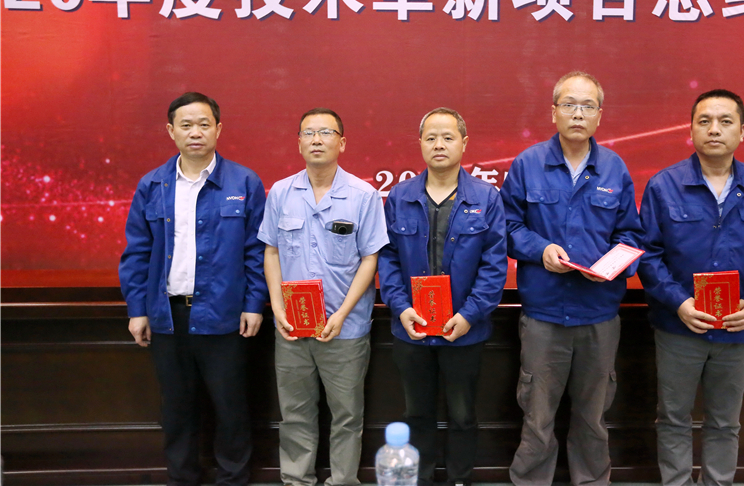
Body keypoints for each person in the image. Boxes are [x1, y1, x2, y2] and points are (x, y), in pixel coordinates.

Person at [637, 89, 744, 486]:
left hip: (738, 326)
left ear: (742, 131)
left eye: (725, 122)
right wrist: (678, 303)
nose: (714, 130)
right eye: (704, 121)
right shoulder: (664, 186)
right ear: (691, 129)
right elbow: (646, 254)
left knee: (725, 422)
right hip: (679, 326)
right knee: (673, 418)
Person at [500, 72, 642, 486]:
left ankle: (592, 482)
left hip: (599, 315)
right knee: (537, 417)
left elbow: (631, 235)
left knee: (593, 419)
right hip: (544, 316)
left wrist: (614, 265)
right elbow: (507, 226)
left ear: (599, 115)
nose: (578, 114)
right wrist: (540, 249)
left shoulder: (614, 168)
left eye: (587, 106)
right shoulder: (527, 164)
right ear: (554, 112)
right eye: (569, 105)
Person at [119, 92, 267, 486]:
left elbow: (257, 251)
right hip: (168, 317)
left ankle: (233, 479)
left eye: (204, 124)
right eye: (186, 125)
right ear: (171, 131)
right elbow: (137, 252)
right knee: (177, 410)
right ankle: (181, 479)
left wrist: (254, 304)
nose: (195, 132)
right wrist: (137, 309)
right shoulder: (152, 184)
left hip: (225, 316)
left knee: (231, 407)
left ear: (219, 129)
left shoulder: (244, 182)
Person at [257, 108, 389, 486]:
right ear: (298, 142)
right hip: (292, 327)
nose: (316, 139)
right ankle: (296, 480)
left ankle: (343, 481)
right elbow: (271, 251)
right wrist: (278, 308)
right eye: (308, 133)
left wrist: (342, 314)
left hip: (344, 328)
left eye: (326, 132)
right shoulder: (281, 192)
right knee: (295, 414)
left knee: (347, 415)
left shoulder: (363, 195)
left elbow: (370, 259)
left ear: (342, 143)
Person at [378, 108, 507, 486]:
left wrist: (468, 315)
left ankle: (459, 480)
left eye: (448, 137)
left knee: (463, 415)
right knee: (416, 414)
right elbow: (387, 259)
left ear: (464, 144)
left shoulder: (486, 197)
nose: (439, 144)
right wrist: (401, 307)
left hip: (465, 330)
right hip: (411, 330)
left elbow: (494, 266)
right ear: (420, 144)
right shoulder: (400, 196)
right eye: (431, 137)